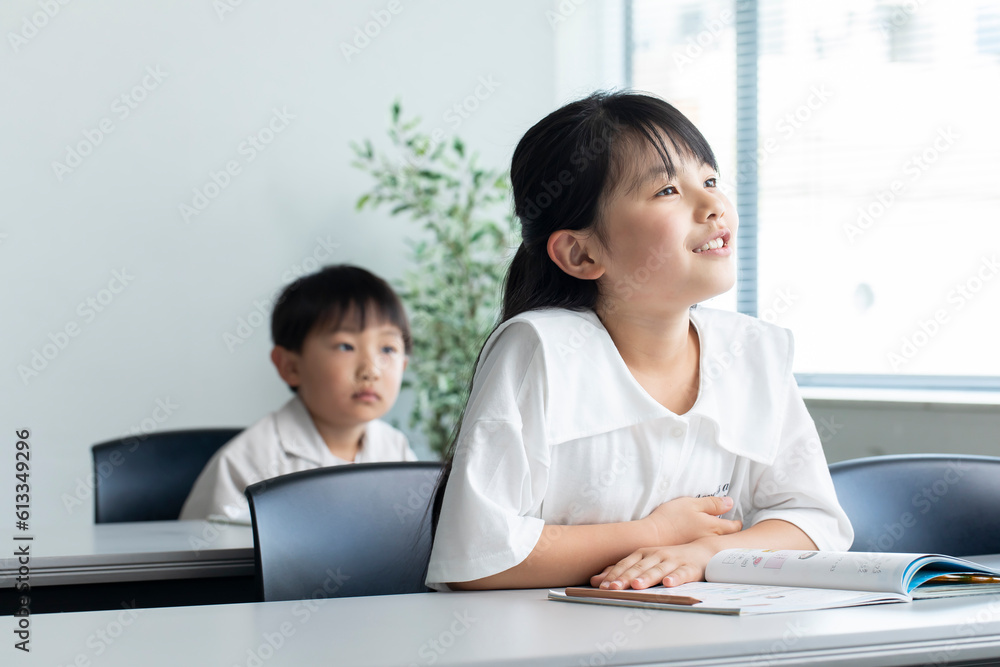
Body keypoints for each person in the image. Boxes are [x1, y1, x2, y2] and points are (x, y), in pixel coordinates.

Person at [426, 91, 853, 592]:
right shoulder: (538, 348)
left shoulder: (753, 350)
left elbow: (815, 523)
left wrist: (703, 552)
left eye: (710, 180)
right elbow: (479, 558)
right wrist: (653, 533)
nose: (714, 204)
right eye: (668, 190)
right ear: (581, 254)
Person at [180, 265, 416, 522]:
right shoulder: (246, 463)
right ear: (290, 367)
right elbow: (213, 556)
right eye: (346, 346)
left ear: (403, 365)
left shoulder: (396, 450)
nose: (371, 370)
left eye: (388, 349)